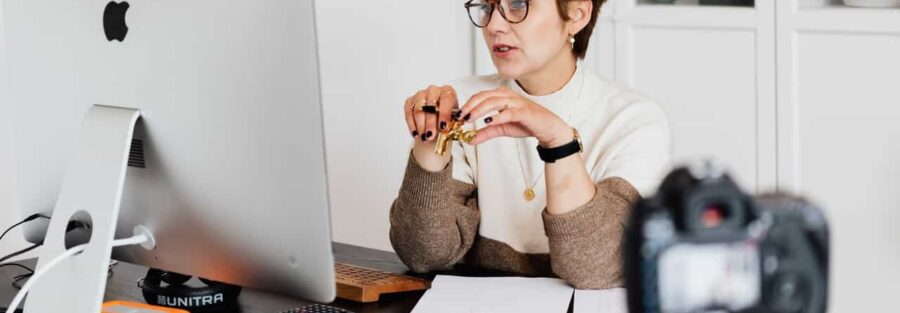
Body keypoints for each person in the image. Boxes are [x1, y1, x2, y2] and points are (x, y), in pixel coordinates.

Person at [390, 0, 670, 289]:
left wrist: (558, 142)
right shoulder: (462, 103)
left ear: (577, 14)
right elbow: (423, 255)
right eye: (486, 7)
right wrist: (430, 142)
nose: (493, 26)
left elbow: (596, 269)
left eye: (517, 4)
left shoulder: (633, 119)